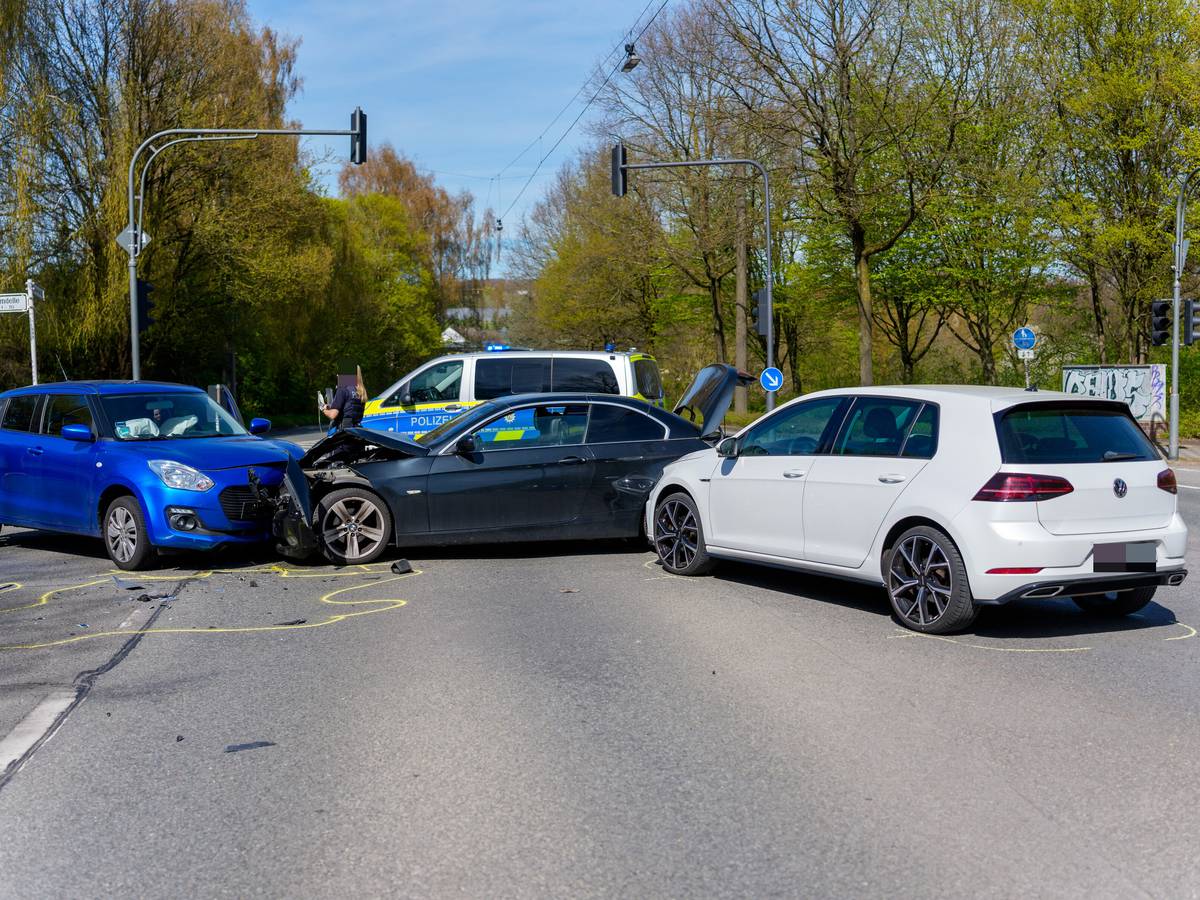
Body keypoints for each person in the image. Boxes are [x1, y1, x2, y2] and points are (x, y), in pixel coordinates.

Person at [321, 366, 367, 434]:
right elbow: (350, 408)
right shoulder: (361, 391)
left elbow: (333, 415)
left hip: (343, 433)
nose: (337, 375)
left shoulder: (343, 389)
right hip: (357, 431)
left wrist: (323, 409)